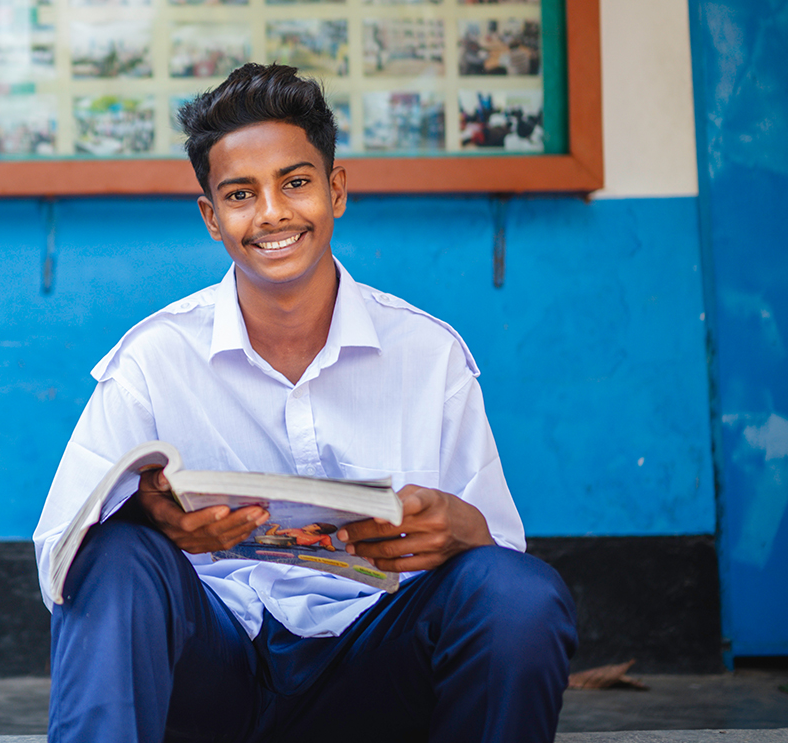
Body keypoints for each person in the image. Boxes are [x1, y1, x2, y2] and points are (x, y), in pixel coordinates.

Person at [33, 63, 576, 743]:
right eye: (239, 194)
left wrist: (460, 528)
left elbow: (502, 558)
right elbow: (57, 555)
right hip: (212, 673)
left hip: (373, 669)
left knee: (519, 594)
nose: (272, 214)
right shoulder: (153, 356)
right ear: (211, 218)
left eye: (295, 182)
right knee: (109, 556)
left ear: (335, 190)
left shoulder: (427, 353)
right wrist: (148, 518)